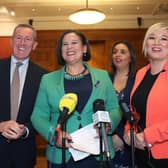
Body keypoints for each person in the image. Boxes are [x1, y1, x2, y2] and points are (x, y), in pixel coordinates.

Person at [31, 30, 121, 168]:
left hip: (98, 152)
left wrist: (108, 125)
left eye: (74, 43)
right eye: (64, 44)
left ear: (84, 48)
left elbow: (114, 108)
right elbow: (38, 116)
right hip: (62, 154)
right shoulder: (47, 80)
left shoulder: (103, 76)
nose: (69, 47)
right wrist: (54, 135)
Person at [0, 23, 48, 168]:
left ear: (34, 45)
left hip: (24, 153)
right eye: (18, 38)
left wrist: (25, 130)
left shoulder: (44, 76)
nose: (22, 43)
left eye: (28, 39)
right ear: (11, 41)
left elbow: (44, 115)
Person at [124, 22, 168, 168]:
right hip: (141, 152)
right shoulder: (141, 73)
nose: (156, 42)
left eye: (164, 38)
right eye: (152, 37)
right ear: (145, 43)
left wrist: (148, 135)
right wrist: (128, 131)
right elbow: (134, 111)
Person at [109, 41, 136, 168]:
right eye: (114, 52)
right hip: (107, 137)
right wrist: (112, 135)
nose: (117, 55)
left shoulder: (137, 80)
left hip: (130, 139)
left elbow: (138, 111)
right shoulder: (105, 79)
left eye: (123, 52)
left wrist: (120, 136)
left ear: (131, 57)